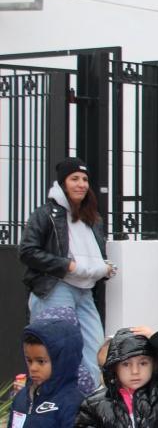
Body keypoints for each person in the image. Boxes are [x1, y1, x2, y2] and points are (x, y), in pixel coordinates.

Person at [19, 157, 111, 385]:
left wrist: (103, 269)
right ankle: (55, 404)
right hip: (55, 287)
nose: (81, 184)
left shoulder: (92, 218)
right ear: (62, 183)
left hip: (85, 291)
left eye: (85, 179)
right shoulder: (45, 214)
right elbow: (27, 251)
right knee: (57, 349)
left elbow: (93, 254)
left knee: (94, 347)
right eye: (74, 179)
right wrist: (66, 265)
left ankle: (85, 406)